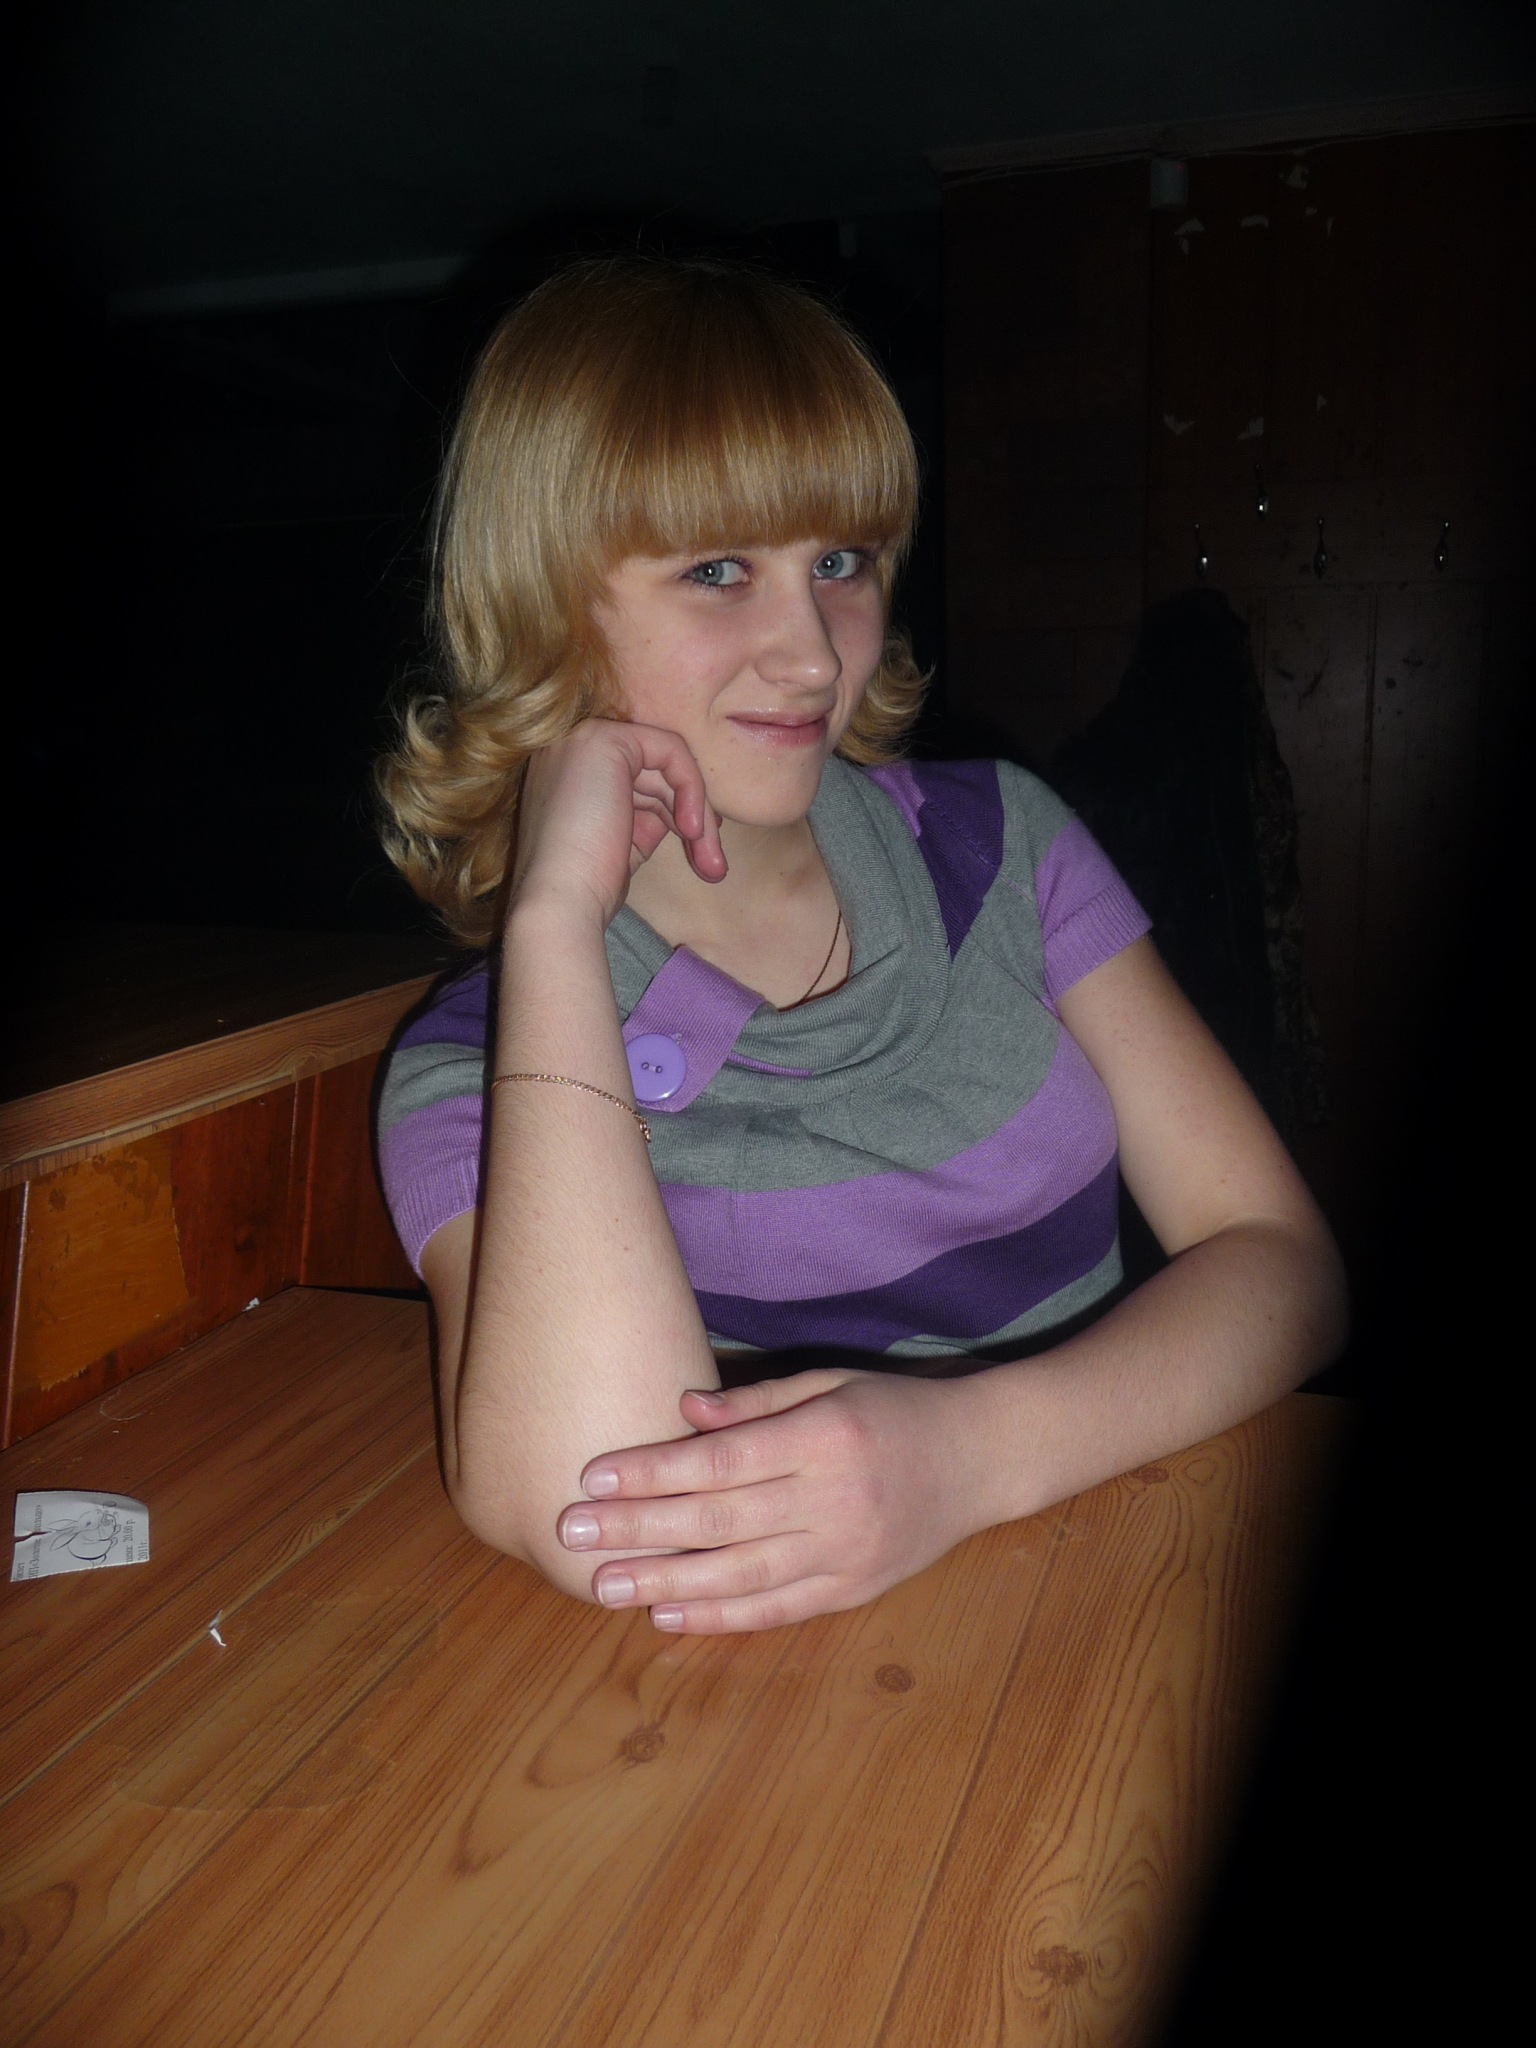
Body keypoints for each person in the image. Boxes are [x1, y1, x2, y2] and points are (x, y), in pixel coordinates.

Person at [373, 255, 1347, 1634]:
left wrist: (972, 1456)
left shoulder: (1003, 845)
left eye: (840, 562)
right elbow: (600, 1514)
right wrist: (550, 929)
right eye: (719, 571)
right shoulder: (478, 1059)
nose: (816, 656)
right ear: (548, 604)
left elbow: (1282, 1263)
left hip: (1116, 1581)